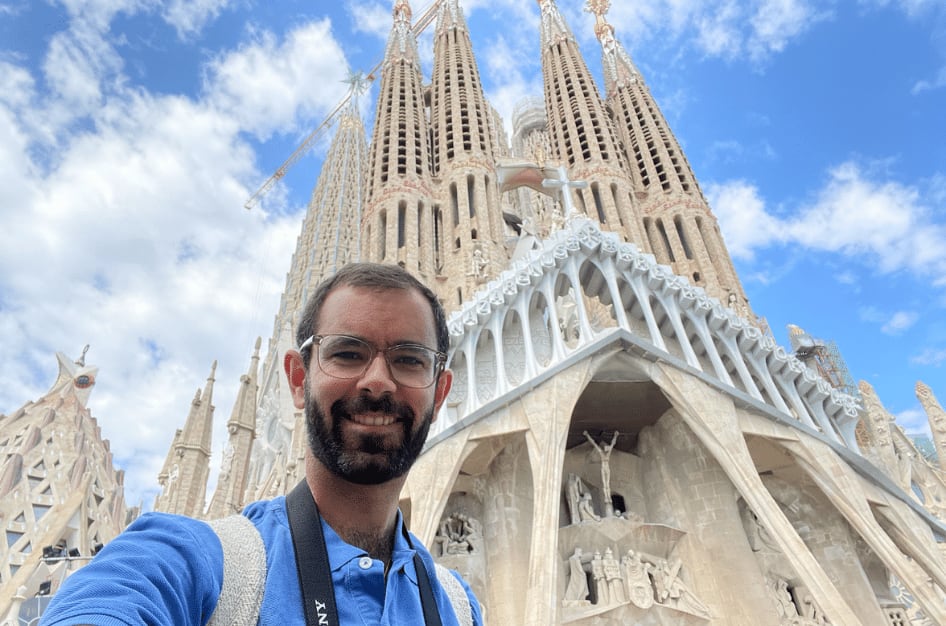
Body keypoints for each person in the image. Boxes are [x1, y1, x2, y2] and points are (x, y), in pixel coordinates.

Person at [40, 263, 483, 625]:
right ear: (297, 379)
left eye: (408, 360)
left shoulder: (457, 606)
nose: (377, 382)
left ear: (440, 393)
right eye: (348, 353)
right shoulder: (199, 560)